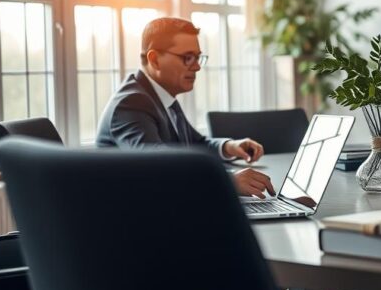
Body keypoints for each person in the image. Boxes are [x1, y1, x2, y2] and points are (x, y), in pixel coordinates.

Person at [96, 16, 275, 198]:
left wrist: (229, 146)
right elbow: (157, 167)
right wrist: (228, 181)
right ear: (155, 59)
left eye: (198, 57)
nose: (197, 67)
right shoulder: (131, 104)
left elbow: (194, 144)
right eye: (188, 58)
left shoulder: (162, 96)